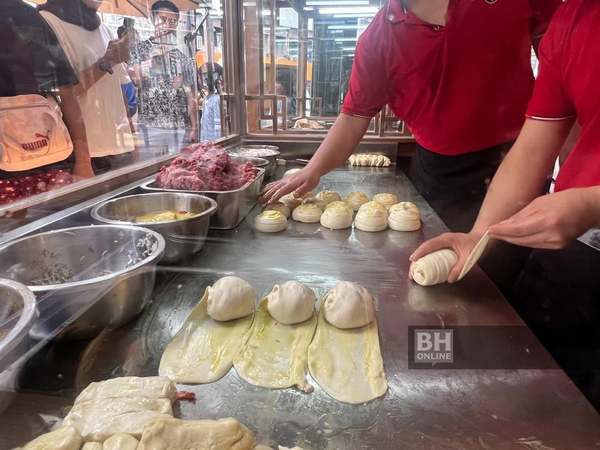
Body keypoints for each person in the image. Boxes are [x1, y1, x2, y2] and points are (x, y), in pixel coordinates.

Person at [411, 0, 600, 410]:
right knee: (521, 383)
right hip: (575, 244)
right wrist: (478, 236)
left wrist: (593, 201)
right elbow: (533, 144)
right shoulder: (574, 18)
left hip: (582, 213)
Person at [262, 0, 561, 234]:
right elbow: (353, 117)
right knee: (450, 269)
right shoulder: (379, 39)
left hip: (523, 155)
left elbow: (561, 60)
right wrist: (312, 170)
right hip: (443, 174)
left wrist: (569, 154)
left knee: (509, 262)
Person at [38, 0, 136, 174]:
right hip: (84, 157)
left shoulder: (104, 28)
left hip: (119, 149)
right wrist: (83, 161)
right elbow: (59, 96)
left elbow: (119, 91)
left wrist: (133, 139)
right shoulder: (47, 22)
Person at [0, 0, 93, 181]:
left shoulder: (27, 16)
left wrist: (83, 161)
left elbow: (67, 90)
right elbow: (67, 91)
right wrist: (83, 162)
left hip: (45, 159)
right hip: (46, 159)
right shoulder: (28, 16)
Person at [135, 0, 198, 147]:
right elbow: (135, 81)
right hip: (150, 126)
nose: (167, 25)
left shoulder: (183, 57)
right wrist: (149, 60)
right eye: (163, 19)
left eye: (172, 21)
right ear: (153, 19)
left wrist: (194, 127)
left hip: (178, 126)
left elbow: (191, 96)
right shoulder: (140, 50)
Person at [200, 62, 223, 142]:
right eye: (202, 75)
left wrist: (217, 143)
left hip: (213, 142)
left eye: (206, 75)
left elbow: (218, 126)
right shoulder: (206, 99)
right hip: (206, 141)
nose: (204, 78)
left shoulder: (217, 99)